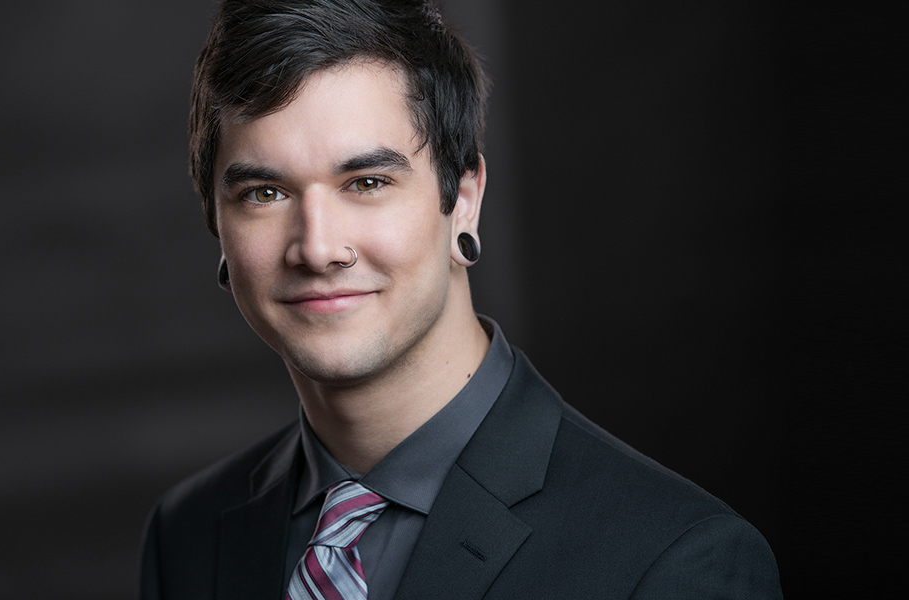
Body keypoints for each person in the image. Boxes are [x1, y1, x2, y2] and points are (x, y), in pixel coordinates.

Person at [139, 0, 782, 598]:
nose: (318, 247)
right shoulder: (187, 535)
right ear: (215, 221)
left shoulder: (674, 560)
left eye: (366, 182)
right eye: (265, 193)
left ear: (464, 198)